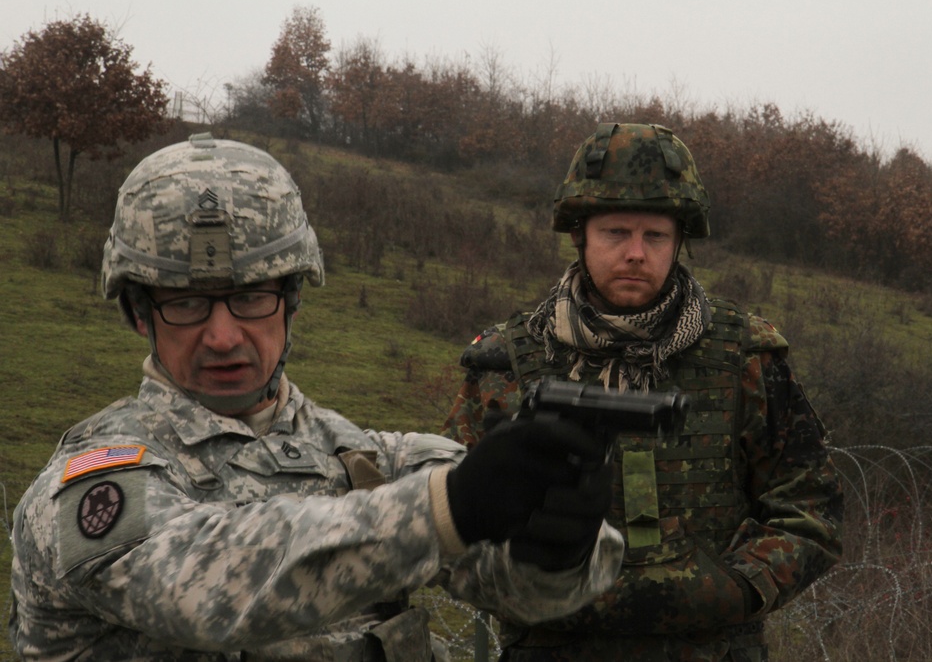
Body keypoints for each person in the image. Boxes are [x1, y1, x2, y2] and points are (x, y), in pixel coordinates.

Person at [8, 133, 624, 661]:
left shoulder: (361, 458)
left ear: (292, 300)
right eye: (186, 304)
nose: (223, 336)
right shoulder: (91, 483)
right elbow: (205, 589)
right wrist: (447, 509)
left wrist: (557, 539)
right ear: (140, 314)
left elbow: (528, 595)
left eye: (252, 298)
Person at [443, 123, 844, 661]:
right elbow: (446, 520)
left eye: (654, 236)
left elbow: (810, 505)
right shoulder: (505, 362)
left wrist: (741, 586)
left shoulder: (745, 357)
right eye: (615, 233)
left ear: (678, 242)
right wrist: (524, 582)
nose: (636, 253)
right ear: (580, 235)